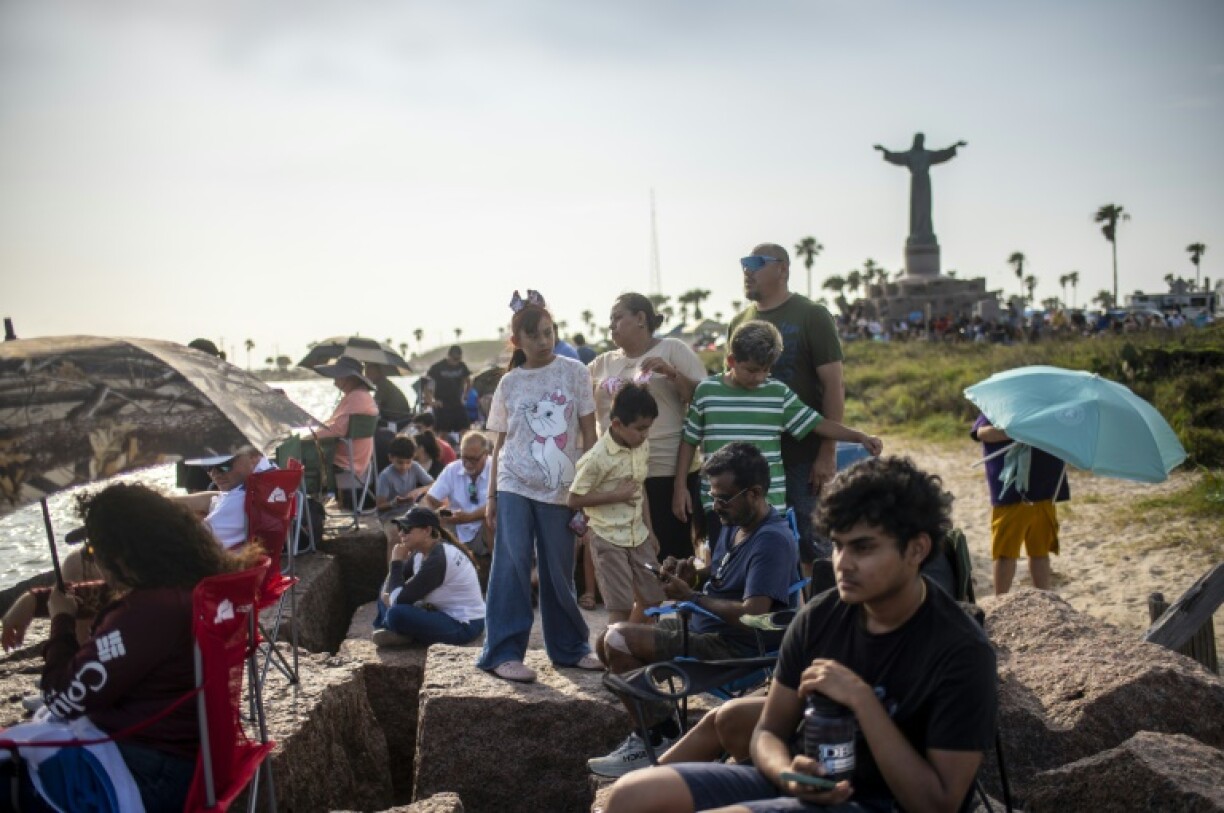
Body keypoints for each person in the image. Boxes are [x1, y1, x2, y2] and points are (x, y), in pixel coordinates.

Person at [604, 456, 998, 813]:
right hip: (804, 786)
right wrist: (789, 774)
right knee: (630, 797)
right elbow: (768, 733)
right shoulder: (821, 617)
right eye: (839, 546)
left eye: (864, 548)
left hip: (879, 802)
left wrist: (862, 701)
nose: (844, 564)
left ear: (917, 549)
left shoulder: (959, 649)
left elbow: (939, 803)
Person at [0, 483, 261, 813]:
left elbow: (62, 696)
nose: (94, 563)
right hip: (193, 760)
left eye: (95, 553)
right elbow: (110, 597)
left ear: (122, 556)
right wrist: (36, 600)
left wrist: (61, 623)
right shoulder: (192, 584)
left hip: (147, 776)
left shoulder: (148, 613)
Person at [588, 443, 800, 778]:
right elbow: (723, 577)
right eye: (712, 496)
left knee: (619, 641)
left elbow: (754, 618)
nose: (715, 507)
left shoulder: (770, 541)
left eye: (723, 498)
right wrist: (693, 575)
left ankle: (654, 740)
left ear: (755, 493)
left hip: (735, 647)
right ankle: (662, 731)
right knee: (604, 642)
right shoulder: (735, 522)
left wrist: (693, 597)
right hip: (706, 630)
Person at [475, 290, 601, 683]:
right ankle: (503, 653)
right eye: (534, 336)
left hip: (562, 486)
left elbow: (589, 433)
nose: (544, 341)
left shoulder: (574, 370)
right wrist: (492, 494)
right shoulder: (509, 383)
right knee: (510, 565)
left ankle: (569, 649)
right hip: (514, 481)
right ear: (517, 342)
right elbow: (499, 443)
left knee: (558, 568)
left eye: (549, 332)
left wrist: (587, 490)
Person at [673, 321, 881, 538]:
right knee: (725, 568)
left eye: (766, 370)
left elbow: (817, 424)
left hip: (766, 506)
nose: (759, 377)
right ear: (731, 361)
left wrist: (859, 436)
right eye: (752, 370)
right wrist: (680, 488)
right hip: (720, 505)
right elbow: (689, 441)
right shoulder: (707, 391)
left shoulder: (777, 393)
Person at [729, 243, 846, 573]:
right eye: (744, 262)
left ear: (782, 268)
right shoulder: (740, 322)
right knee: (756, 544)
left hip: (802, 457)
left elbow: (834, 385)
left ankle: (818, 619)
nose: (747, 270)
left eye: (757, 262)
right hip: (753, 461)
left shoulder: (812, 315)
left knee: (813, 545)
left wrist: (827, 452)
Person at [589, 292, 709, 561]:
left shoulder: (673, 349)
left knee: (670, 552)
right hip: (618, 474)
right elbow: (576, 400)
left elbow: (703, 398)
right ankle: (638, 604)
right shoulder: (603, 362)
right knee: (627, 554)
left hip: (665, 469)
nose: (611, 326)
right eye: (610, 319)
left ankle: (672, 602)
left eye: (618, 318)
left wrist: (672, 374)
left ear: (641, 318)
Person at [567, 383, 667, 625]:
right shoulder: (597, 458)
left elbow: (639, 488)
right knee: (619, 604)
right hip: (608, 538)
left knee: (653, 598)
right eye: (640, 429)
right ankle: (617, 654)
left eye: (648, 429)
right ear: (617, 425)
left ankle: (639, 645)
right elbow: (572, 499)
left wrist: (650, 531)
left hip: (638, 535)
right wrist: (615, 496)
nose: (645, 435)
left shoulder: (640, 445)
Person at [971, 415, 1070, 595]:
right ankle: (1001, 602)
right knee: (1004, 553)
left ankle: (1044, 600)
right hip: (1010, 491)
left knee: (1040, 551)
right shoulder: (1001, 399)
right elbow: (982, 432)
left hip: (1045, 488)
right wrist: (1019, 432)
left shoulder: (1052, 404)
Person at [372, 507, 485, 648]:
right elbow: (394, 587)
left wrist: (396, 562)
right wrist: (390, 592)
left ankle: (394, 629)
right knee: (388, 587)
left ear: (427, 530)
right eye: (400, 528)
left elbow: (397, 600)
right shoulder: (422, 552)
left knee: (396, 613)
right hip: (440, 613)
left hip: (464, 625)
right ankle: (394, 629)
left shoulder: (438, 558)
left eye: (407, 528)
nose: (401, 533)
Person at [422, 431, 494, 589]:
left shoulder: (496, 468)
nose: (468, 463)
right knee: (427, 523)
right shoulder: (452, 469)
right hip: (457, 527)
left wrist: (469, 517)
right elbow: (430, 499)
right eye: (464, 457)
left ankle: (497, 571)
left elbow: (499, 503)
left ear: (486, 455)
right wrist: (441, 513)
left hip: (483, 528)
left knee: (492, 520)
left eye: (473, 459)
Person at [175, 445, 275, 549]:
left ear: (253, 457)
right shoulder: (269, 474)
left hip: (225, 561)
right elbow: (217, 499)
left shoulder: (239, 500)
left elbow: (191, 539)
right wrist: (163, 502)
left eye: (223, 465)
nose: (214, 474)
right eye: (207, 466)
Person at [313, 355, 380, 508]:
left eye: (337, 376)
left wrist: (310, 436)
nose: (334, 381)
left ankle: (311, 508)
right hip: (358, 458)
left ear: (348, 378)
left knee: (301, 460)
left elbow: (338, 429)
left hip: (346, 461)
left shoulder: (356, 397)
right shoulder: (360, 395)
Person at [375, 435, 435, 561]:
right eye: (400, 462)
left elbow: (433, 484)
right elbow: (380, 505)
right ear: (391, 458)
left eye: (408, 462)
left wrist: (418, 490)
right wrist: (394, 503)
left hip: (409, 511)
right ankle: (391, 573)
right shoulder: (385, 476)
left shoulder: (415, 467)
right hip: (390, 515)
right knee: (395, 538)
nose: (404, 466)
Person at [426, 346, 472, 435]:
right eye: (454, 359)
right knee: (443, 432)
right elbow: (425, 385)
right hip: (442, 403)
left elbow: (468, 381)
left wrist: (465, 396)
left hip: (457, 402)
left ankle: (464, 447)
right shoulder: (437, 367)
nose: (456, 362)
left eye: (458, 359)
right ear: (448, 356)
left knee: (465, 428)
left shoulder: (462, 366)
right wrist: (431, 401)